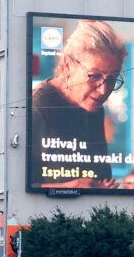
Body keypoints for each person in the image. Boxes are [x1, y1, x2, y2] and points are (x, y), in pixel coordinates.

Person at [31, 20, 128, 189]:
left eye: (112, 79)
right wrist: (69, 187)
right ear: (68, 67)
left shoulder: (94, 108)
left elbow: (102, 174)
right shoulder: (36, 108)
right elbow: (15, 187)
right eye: (94, 76)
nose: (104, 90)